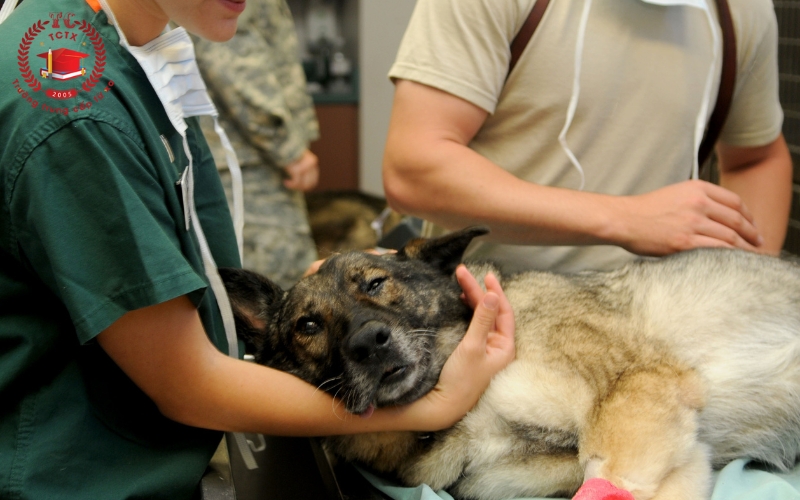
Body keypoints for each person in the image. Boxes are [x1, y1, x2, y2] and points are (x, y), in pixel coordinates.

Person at [0, 1, 515, 499]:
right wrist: (436, 405)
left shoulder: (135, 49)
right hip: (80, 477)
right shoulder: (75, 109)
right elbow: (187, 383)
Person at [383, 0, 793, 275]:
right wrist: (626, 218)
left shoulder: (742, 10)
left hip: (664, 326)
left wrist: (746, 283)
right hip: (492, 321)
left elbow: (757, 158)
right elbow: (414, 168)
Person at [194, 0, 320, 289]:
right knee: (276, 294)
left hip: (243, 157)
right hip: (247, 164)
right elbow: (234, 63)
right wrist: (289, 150)